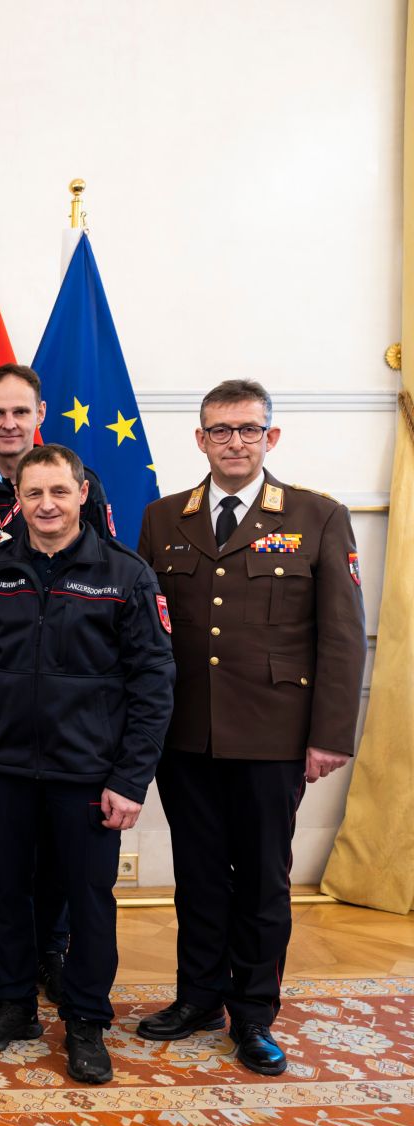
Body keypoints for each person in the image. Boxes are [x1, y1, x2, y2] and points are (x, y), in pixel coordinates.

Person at [135, 379, 367, 1076]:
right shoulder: (162, 518)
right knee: (198, 874)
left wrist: (330, 734)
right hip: (185, 735)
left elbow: (343, 637)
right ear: (200, 439)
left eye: (248, 429)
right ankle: (199, 997)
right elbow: (145, 634)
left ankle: (254, 1012)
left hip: (274, 734)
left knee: (264, 878)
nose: (234, 441)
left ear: (272, 437)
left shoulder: (317, 515)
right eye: (220, 429)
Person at [0, 444, 174, 1085]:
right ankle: (13, 1006)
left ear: (82, 494)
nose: (46, 505)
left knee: (88, 900)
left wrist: (130, 780)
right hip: (2, 770)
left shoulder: (125, 574)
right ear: (18, 499)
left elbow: (154, 683)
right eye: (34, 493)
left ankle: (86, 1020)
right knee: (4, 892)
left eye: (59, 492)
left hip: (89, 775)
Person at [0, 363, 106, 999]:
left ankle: (52, 946)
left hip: (64, 690)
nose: (9, 423)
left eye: (21, 412)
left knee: (59, 840)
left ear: (40, 416)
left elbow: (100, 573)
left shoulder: (82, 484)